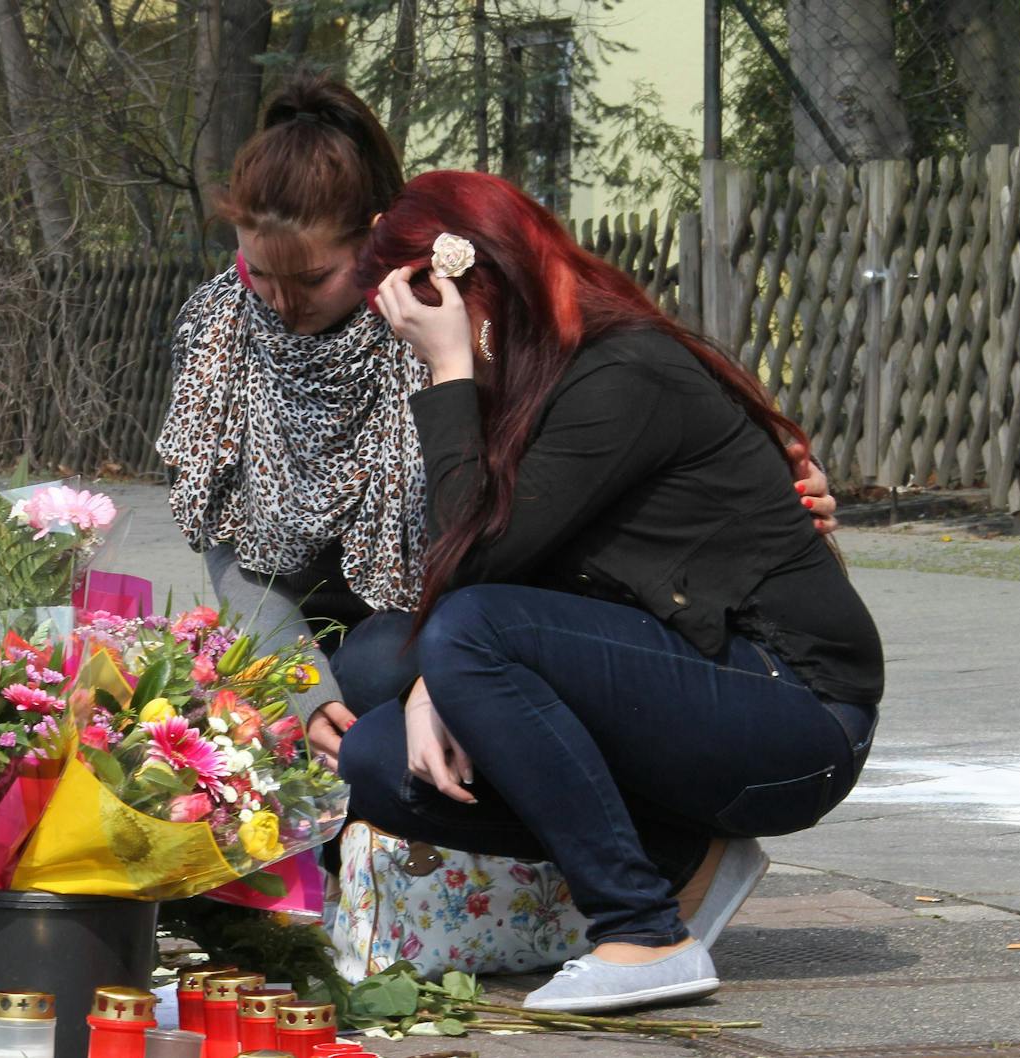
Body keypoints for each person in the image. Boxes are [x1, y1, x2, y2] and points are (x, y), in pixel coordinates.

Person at [154, 74, 839, 772]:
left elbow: (570, 477)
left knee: (372, 671)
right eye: (259, 272)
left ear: (375, 238)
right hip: (291, 625)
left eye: (312, 278)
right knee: (185, 700)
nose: (281, 302)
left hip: (446, 612)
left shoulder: (439, 315)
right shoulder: (218, 328)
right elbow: (229, 543)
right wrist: (294, 677)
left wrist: (757, 496)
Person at [336, 170, 884, 1014]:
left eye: (410, 319)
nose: (405, 342)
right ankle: (679, 855)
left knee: (466, 632)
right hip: (692, 683)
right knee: (377, 735)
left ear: (456, 286)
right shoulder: (537, 377)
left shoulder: (621, 371)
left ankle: (645, 933)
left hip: (795, 712)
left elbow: (475, 564)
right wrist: (425, 684)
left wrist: (448, 371)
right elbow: (494, 563)